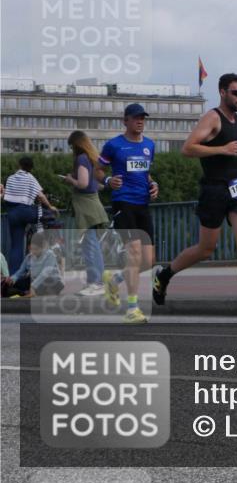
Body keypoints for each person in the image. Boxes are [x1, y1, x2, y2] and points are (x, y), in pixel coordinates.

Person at [153, 73, 237, 325]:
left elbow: (236, 155)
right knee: (206, 249)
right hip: (214, 190)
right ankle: (165, 275)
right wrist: (221, 149)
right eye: (236, 93)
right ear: (222, 92)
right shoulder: (212, 117)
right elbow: (188, 148)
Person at [96, 104, 160, 323]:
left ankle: (114, 280)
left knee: (149, 260)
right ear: (125, 120)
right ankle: (132, 308)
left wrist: (154, 185)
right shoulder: (114, 145)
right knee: (133, 253)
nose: (140, 121)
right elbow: (98, 170)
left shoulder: (150, 145)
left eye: (142, 118)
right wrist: (107, 181)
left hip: (143, 204)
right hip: (123, 202)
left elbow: (146, 173)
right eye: (135, 118)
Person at [63, 131, 110, 297]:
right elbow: (99, 186)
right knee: (93, 245)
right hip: (94, 204)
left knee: (89, 245)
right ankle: (97, 282)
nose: (71, 150)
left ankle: (95, 283)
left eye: (72, 146)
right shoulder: (92, 159)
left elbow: (82, 183)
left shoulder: (81, 158)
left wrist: (70, 179)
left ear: (76, 145)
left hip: (86, 207)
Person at [2, 157, 58, 273]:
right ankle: (46, 239)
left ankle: (14, 278)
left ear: (19, 165)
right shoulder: (30, 177)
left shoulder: (11, 178)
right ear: (31, 168)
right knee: (47, 214)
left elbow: (6, 195)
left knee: (16, 247)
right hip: (25, 212)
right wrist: (50, 207)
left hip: (12, 214)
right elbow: (40, 196)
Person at [3, 230, 64, 297]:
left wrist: (33, 286)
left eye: (36, 249)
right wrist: (12, 279)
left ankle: (33, 292)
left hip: (51, 281)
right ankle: (26, 293)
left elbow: (45, 273)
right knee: (15, 284)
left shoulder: (50, 255)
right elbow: (20, 272)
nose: (33, 252)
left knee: (46, 282)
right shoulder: (29, 257)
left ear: (42, 247)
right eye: (31, 249)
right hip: (35, 282)